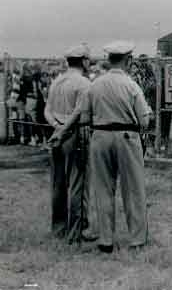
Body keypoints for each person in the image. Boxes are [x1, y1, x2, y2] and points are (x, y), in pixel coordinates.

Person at [80, 41, 152, 253]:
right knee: (133, 189)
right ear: (128, 60)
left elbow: (84, 116)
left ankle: (105, 240)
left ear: (109, 60)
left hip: (100, 136)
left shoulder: (95, 84)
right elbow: (144, 121)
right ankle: (137, 239)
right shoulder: (131, 85)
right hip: (127, 136)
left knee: (103, 189)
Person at [44, 44, 97, 243]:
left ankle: (58, 229)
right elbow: (78, 111)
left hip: (56, 133)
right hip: (75, 134)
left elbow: (47, 110)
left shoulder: (57, 81)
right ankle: (77, 231)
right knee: (78, 183)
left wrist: (57, 128)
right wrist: (65, 130)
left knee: (58, 183)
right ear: (83, 61)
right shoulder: (84, 83)